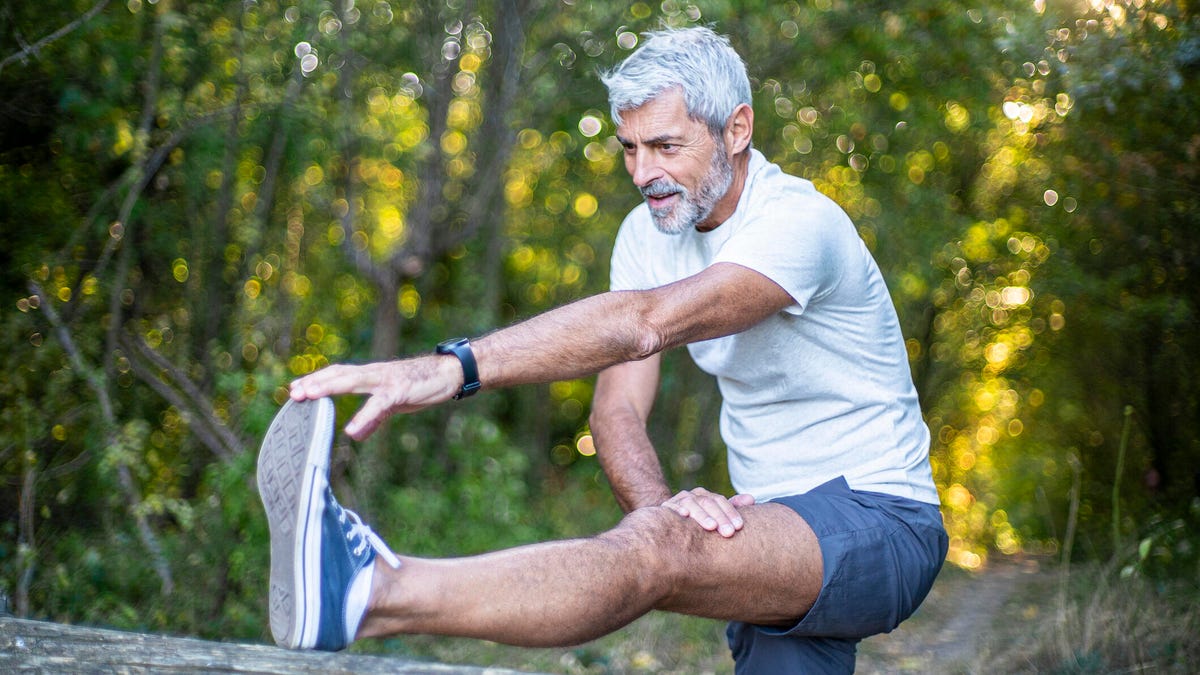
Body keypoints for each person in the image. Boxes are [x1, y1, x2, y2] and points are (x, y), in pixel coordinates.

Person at [257, 26, 947, 673]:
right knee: (661, 537)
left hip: (880, 517)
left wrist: (453, 367)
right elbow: (616, 411)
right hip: (770, 527)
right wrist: (665, 509)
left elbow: (644, 323)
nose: (643, 171)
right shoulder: (649, 234)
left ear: (737, 129)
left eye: (667, 146)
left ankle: (369, 592)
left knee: (657, 551)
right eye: (629, 147)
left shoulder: (799, 222)